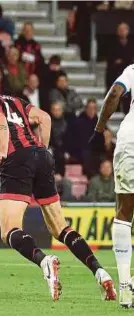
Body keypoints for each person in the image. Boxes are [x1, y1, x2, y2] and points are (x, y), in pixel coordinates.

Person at [0, 76, 116, 301]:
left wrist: (4, 150)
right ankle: (100, 273)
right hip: (42, 156)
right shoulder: (12, 100)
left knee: (9, 231)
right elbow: (44, 118)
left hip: (16, 159)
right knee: (60, 228)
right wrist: (40, 151)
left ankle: (45, 262)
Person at [89, 63, 134, 307]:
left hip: (129, 139)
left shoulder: (133, 70)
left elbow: (115, 93)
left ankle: (126, 287)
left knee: (124, 212)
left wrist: (99, 128)